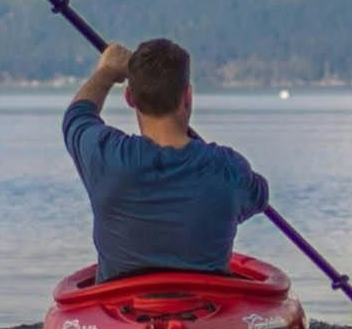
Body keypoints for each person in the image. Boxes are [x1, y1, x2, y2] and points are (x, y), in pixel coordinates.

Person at [61, 35, 270, 275]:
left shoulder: (106, 157)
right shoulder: (229, 168)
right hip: (210, 306)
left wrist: (106, 72)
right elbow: (260, 196)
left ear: (130, 98)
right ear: (188, 97)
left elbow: (77, 116)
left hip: (124, 306)